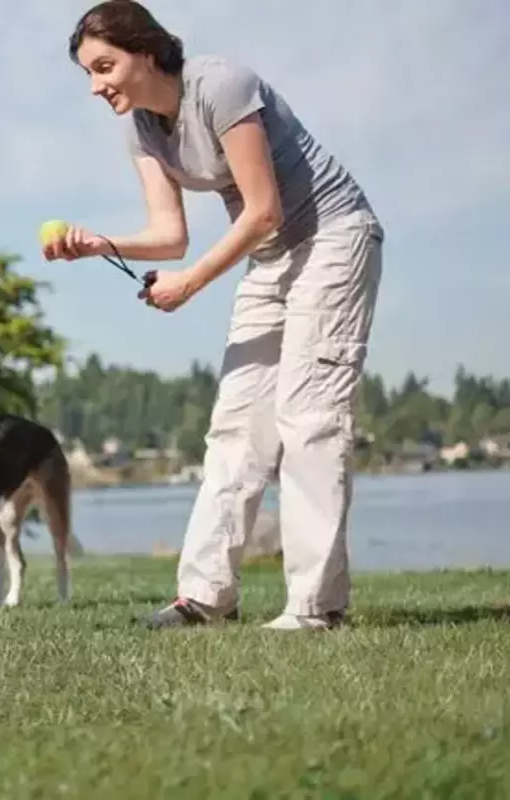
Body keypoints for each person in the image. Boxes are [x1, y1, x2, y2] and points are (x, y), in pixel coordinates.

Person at [44, 0, 384, 630]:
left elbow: (262, 210)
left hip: (334, 238)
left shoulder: (221, 85)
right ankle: (204, 597)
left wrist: (192, 285)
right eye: (89, 74)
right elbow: (169, 235)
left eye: (104, 67)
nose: (96, 86)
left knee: (309, 418)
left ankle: (316, 607)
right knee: (235, 427)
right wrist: (99, 244)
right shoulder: (142, 127)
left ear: (145, 51)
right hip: (270, 255)